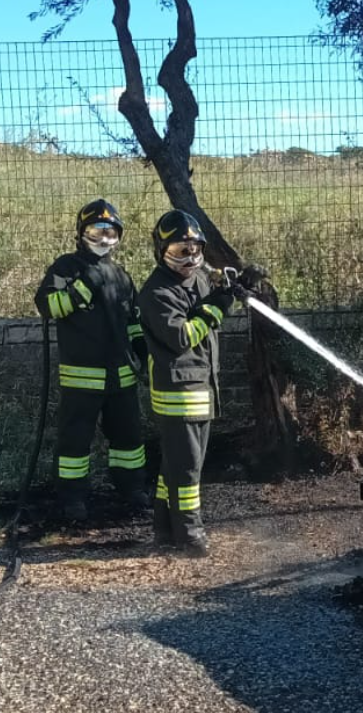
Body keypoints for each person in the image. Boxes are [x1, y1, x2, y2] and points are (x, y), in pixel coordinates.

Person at [33, 198, 149, 524]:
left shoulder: (121, 276)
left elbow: (134, 321)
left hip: (122, 376)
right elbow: (48, 306)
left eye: (110, 232)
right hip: (82, 377)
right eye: (97, 231)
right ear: (82, 233)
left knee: (128, 440)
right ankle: (72, 499)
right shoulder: (66, 268)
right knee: (75, 441)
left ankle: (132, 489)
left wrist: (143, 352)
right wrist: (84, 287)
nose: (104, 238)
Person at [138, 209, 243, 556]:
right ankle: (190, 534)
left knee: (174, 466)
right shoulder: (156, 292)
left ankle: (165, 530)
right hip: (177, 392)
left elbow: (215, 301)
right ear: (162, 251)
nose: (191, 257)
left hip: (200, 387)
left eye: (195, 249)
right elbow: (182, 336)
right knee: (187, 469)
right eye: (181, 251)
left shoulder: (197, 280)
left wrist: (237, 286)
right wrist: (216, 308)